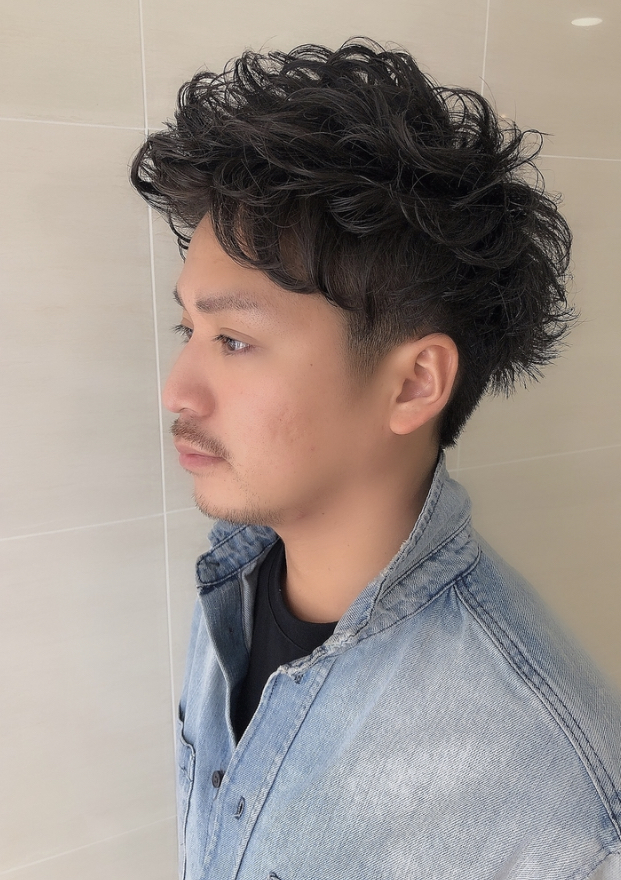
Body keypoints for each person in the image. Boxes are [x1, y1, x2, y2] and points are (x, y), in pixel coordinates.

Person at [131, 39, 621, 880]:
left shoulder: (557, 803)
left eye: (233, 339)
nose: (177, 390)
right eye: (190, 330)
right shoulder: (234, 584)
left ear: (413, 384)